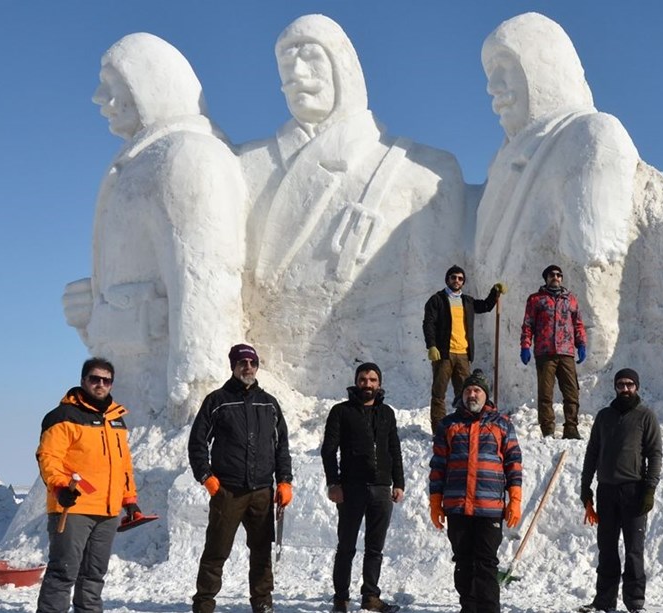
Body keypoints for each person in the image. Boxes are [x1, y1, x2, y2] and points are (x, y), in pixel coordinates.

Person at [238, 14, 466, 400]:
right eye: (285, 64)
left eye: (310, 57)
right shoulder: (245, 164)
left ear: (343, 68)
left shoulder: (422, 170)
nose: (294, 73)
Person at [62, 32, 248, 426]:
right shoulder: (141, 161)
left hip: (166, 401)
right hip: (130, 396)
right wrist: (94, 309)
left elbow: (204, 282)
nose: (99, 97)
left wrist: (198, 390)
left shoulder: (187, 156)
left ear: (149, 84)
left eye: (114, 84)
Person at [474, 13, 639, 376]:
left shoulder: (590, 136)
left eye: (505, 67)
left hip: (574, 357)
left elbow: (594, 259)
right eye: (489, 75)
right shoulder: (501, 165)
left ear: (542, 68)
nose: (493, 87)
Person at [188, 344, 294, 613]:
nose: (248, 367)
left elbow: (282, 445)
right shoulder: (217, 401)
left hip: (261, 491)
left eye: (252, 362)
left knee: (261, 552)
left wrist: (284, 480)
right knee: (216, 551)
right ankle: (204, 604)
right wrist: (206, 476)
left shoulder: (269, 403)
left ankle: (262, 602)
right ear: (233, 366)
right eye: (242, 362)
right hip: (228, 491)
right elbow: (197, 442)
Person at [36, 357, 145, 613]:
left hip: (107, 512)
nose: (100, 384)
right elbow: (48, 457)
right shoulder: (62, 416)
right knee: (63, 573)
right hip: (73, 507)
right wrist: (61, 487)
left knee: (94, 576)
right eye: (94, 379)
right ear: (83, 380)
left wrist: (129, 499)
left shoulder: (117, 419)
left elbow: (123, 466)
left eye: (106, 380)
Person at [429, 370, 523, 613]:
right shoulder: (448, 424)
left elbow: (513, 461)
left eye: (477, 390)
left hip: (488, 508)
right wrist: (435, 500)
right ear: (462, 395)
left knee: (486, 563)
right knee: (463, 562)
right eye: (468, 390)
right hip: (457, 506)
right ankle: (468, 609)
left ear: (486, 396)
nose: (472, 394)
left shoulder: (502, 424)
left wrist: (515, 498)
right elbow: (439, 464)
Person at [320, 363, 405, 613]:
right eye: (363, 379)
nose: (367, 384)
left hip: (381, 488)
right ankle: (341, 598)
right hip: (351, 488)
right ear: (356, 382)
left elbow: (394, 449)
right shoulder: (341, 412)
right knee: (346, 546)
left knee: (375, 548)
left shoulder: (387, 413)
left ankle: (370, 596)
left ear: (379, 383)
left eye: (372, 380)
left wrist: (398, 482)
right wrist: (333, 483)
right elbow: (328, 450)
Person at [579, 369, 662, 613]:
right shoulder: (604, 416)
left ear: (637, 387)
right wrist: (586, 487)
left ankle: (635, 603)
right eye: (620, 385)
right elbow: (592, 452)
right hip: (606, 491)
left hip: (634, 491)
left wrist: (649, 489)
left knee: (634, 550)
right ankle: (604, 601)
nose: (624, 389)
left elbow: (654, 454)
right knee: (607, 548)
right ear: (615, 388)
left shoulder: (646, 417)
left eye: (629, 385)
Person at [423, 265, 505, 433]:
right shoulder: (437, 300)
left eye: (460, 278)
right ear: (447, 280)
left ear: (463, 282)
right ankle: (439, 430)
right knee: (439, 393)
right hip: (444, 353)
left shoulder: (467, 301)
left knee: (466, 393)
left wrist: (494, 292)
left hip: (463, 354)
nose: (457, 281)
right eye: (453, 277)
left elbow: (485, 306)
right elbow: (428, 323)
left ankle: (464, 426)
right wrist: (431, 345)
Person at [520, 264, 587, 438]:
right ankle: (548, 430)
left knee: (571, 391)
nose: (555, 277)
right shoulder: (536, 299)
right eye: (551, 275)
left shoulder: (570, 299)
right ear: (546, 278)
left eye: (558, 275)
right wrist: (525, 345)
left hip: (566, 352)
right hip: (545, 352)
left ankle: (571, 428)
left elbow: (578, 323)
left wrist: (581, 344)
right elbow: (528, 324)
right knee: (545, 393)